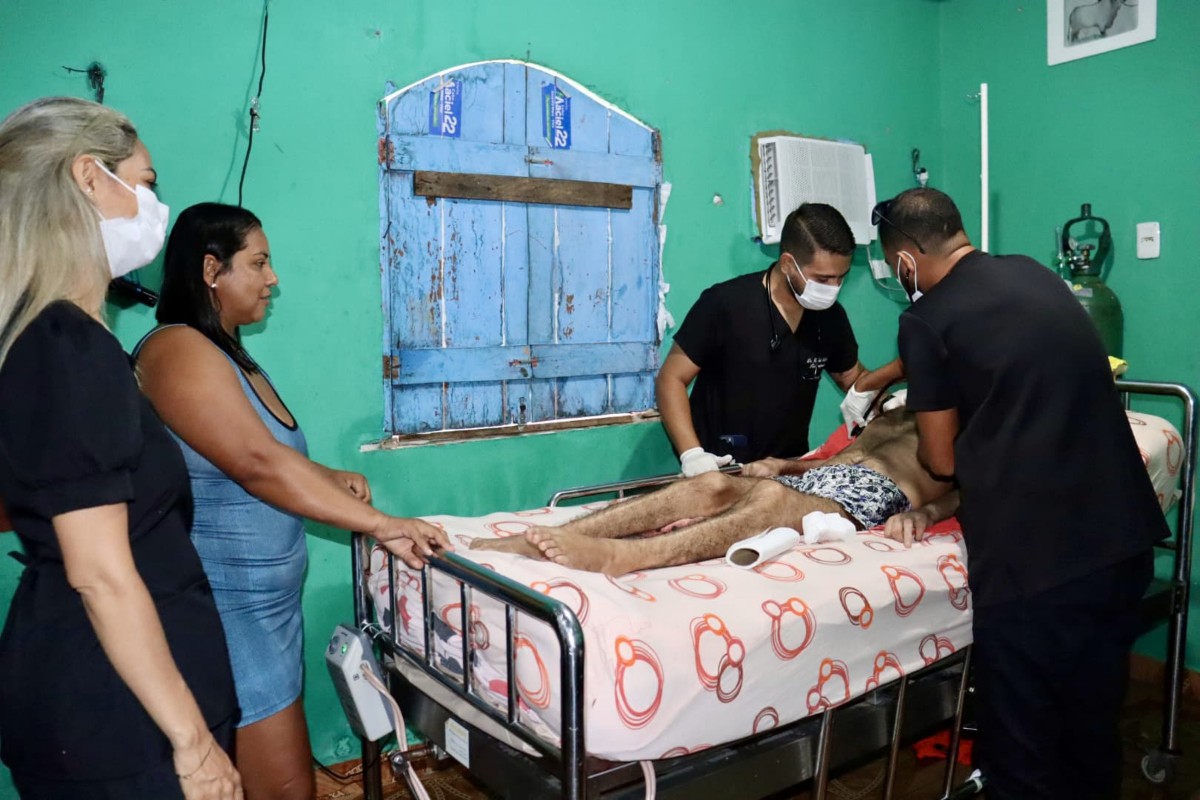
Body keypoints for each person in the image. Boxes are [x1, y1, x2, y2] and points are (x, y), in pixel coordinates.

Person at [134, 203, 451, 800]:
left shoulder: (228, 353)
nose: (272, 278)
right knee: (284, 789)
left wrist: (327, 477)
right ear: (211, 270)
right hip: (228, 613)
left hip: (266, 614)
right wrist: (381, 524)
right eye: (258, 263)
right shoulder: (177, 350)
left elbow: (248, 454)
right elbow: (257, 465)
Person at [875, 187, 1169, 800]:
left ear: (905, 259)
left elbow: (941, 460)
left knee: (1022, 751)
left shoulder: (925, 319)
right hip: (1123, 539)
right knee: (1090, 730)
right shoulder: (1036, 276)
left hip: (1038, 564)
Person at [0, 98, 242, 799]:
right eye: (145, 181)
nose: (154, 206)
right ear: (88, 177)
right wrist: (193, 744)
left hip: (96, 689)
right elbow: (101, 575)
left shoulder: (39, 336)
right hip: (121, 711)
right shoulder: (67, 346)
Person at [472, 407, 958, 574]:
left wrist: (928, 513)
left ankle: (626, 557)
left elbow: (975, 486)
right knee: (708, 484)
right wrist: (784, 464)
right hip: (821, 477)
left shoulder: (967, 420)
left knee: (771, 500)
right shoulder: (895, 412)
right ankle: (548, 539)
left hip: (874, 494)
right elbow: (836, 457)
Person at [656, 202, 902, 477]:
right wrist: (692, 454)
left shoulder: (830, 317)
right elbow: (671, 379)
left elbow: (851, 378)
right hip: (722, 467)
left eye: (840, 278)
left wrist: (888, 403)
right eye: (822, 279)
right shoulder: (726, 304)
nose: (833, 288)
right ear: (787, 264)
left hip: (787, 469)